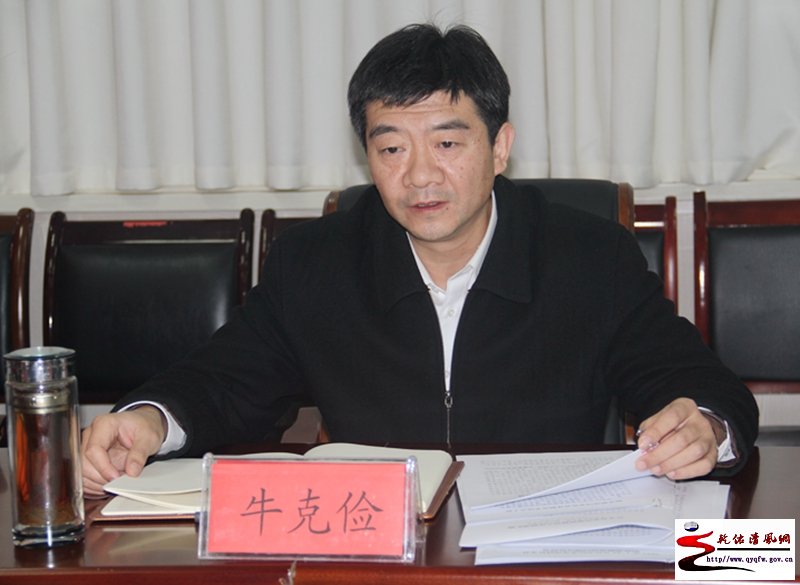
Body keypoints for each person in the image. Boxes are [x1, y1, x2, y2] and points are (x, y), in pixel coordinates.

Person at [81, 23, 758, 497]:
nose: (420, 176)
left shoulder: (589, 258)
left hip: (540, 551)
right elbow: (226, 383)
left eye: (447, 143)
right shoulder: (317, 264)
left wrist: (705, 426)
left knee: (743, 568)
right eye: (391, 149)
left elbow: (696, 382)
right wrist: (149, 421)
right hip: (377, 552)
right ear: (368, 158)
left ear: (500, 147)